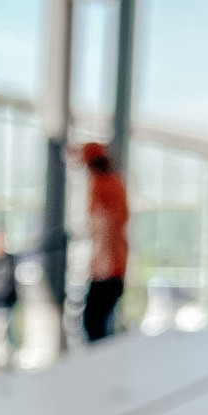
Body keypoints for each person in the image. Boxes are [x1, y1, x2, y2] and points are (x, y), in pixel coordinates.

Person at [79, 142, 129, 342]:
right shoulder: (116, 183)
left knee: (93, 322)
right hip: (116, 265)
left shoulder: (101, 185)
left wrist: (100, 266)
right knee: (98, 321)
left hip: (107, 268)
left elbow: (103, 227)